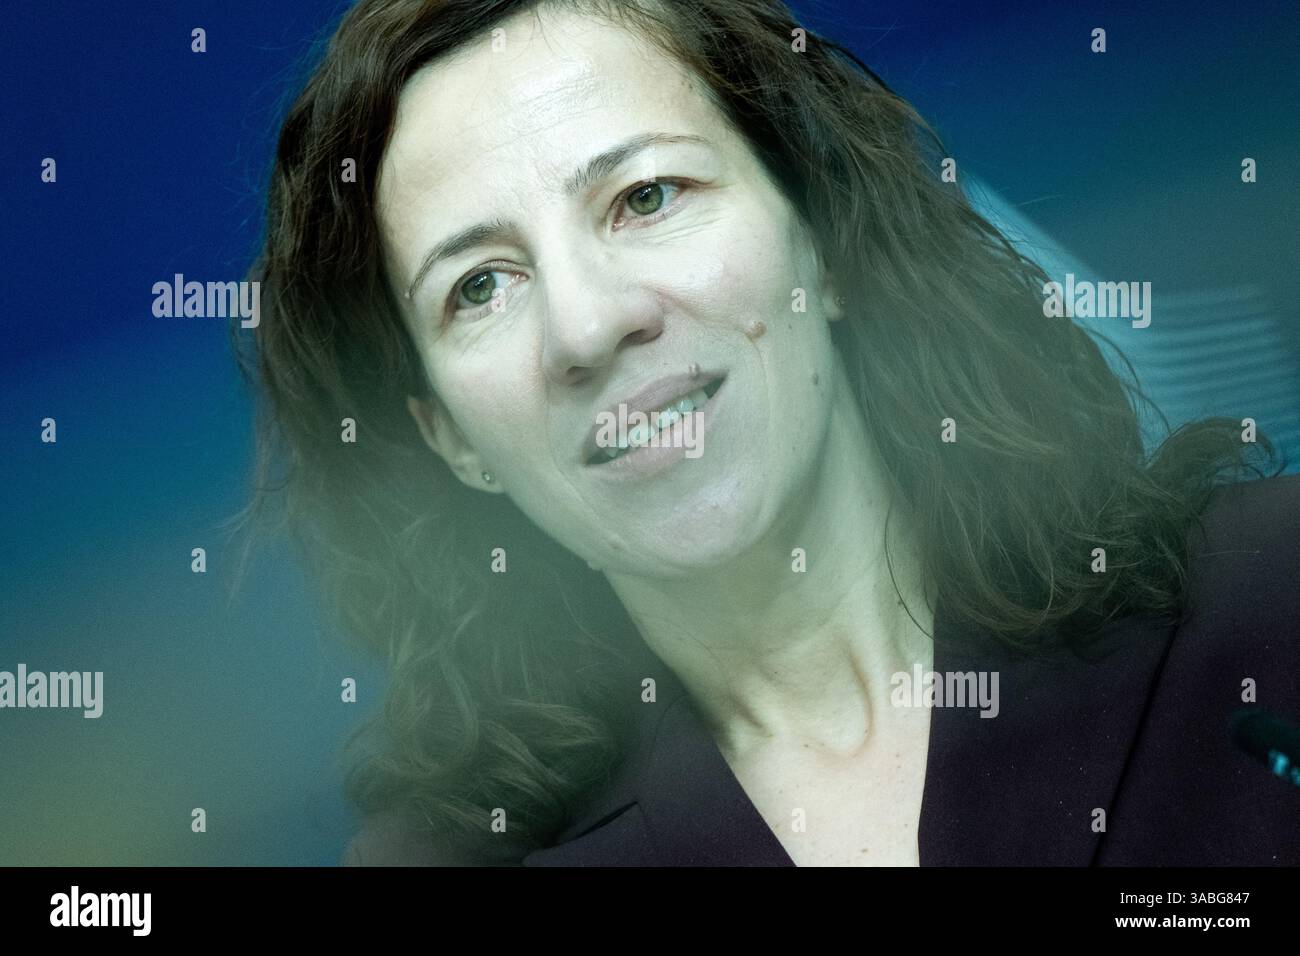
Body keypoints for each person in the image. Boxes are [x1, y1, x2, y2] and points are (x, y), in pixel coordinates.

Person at [235, 0, 1298, 866]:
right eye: (480, 286)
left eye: (647, 195)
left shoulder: (1270, 601)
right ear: (449, 438)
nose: (588, 325)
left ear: (823, 237)